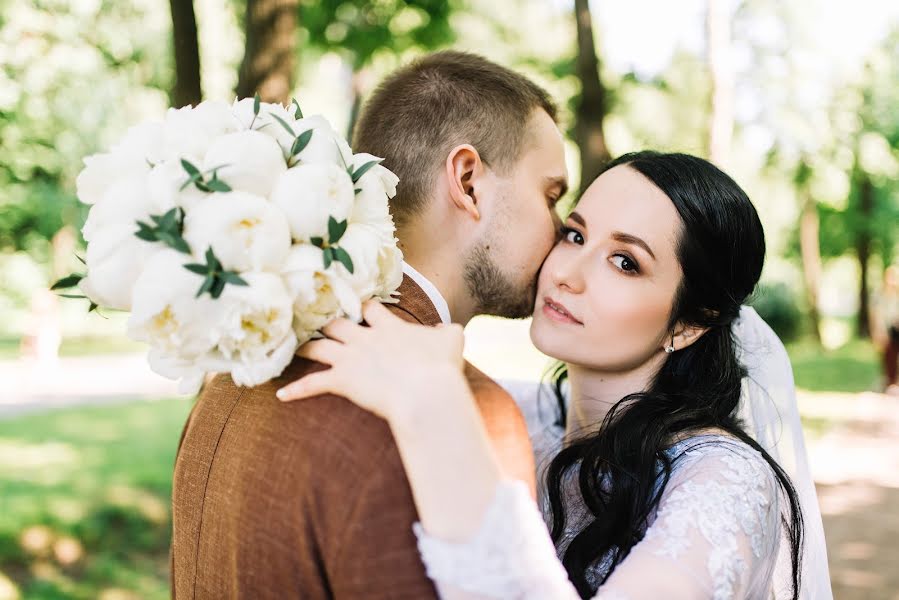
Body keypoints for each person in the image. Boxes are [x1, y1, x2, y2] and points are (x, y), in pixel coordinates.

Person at [278, 152, 834, 599]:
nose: (567, 273)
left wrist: (433, 407)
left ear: (688, 325)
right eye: (574, 234)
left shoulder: (727, 480)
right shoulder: (515, 412)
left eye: (625, 262)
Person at [169, 51, 568, 598]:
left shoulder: (241, 369)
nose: (563, 227)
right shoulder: (465, 415)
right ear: (469, 181)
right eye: (551, 194)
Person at [871, 265, 899, 394]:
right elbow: (875, 314)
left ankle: (895, 381)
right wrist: (877, 331)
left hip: (897, 328)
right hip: (885, 329)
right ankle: (890, 381)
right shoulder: (879, 294)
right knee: (888, 355)